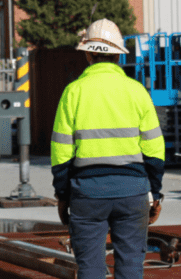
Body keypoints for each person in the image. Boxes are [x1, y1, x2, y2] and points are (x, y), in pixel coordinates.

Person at [51, 18, 165, 279]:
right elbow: (155, 149)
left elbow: (61, 152)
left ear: (89, 54)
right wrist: (155, 193)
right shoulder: (137, 92)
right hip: (133, 192)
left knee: (90, 268)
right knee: (131, 267)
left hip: (87, 194)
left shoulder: (73, 92)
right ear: (117, 55)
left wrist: (62, 195)